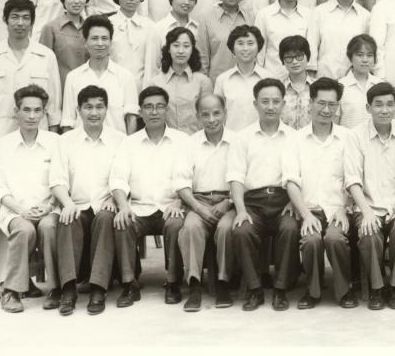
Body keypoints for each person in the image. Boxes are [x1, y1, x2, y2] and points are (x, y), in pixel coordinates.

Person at [0, 0, 61, 294]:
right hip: (2, 147)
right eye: (15, 17)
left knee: (40, 209)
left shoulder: (45, 56)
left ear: (33, 22)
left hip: (39, 145)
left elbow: (54, 108)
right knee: (6, 212)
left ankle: (31, 280)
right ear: (5, 20)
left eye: (26, 17)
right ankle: (7, 281)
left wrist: (55, 146)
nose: (20, 23)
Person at [109, 85, 188, 308]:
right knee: (122, 222)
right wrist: (123, 206)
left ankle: (173, 282)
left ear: (167, 110)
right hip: (138, 208)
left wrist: (179, 201)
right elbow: (118, 179)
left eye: (160, 106)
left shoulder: (182, 140)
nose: (154, 112)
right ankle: (129, 284)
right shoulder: (129, 143)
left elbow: (189, 177)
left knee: (175, 224)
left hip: (171, 206)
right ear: (141, 111)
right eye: (148, 107)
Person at [227, 77, 300, 312]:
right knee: (242, 230)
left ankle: (280, 289)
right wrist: (240, 211)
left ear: (283, 104)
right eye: (265, 101)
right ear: (255, 104)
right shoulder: (243, 137)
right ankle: (254, 289)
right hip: (253, 203)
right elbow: (236, 177)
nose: (270, 106)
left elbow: (300, 175)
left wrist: (293, 201)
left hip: (283, 201)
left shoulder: (294, 137)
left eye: (276, 101)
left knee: (290, 228)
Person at [49, 84, 123, 316]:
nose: (94, 112)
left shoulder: (120, 140)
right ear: (78, 110)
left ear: (106, 109)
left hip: (106, 203)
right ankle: (68, 289)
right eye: (88, 107)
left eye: (99, 107)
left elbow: (125, 176)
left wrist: (115, 198)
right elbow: (57, 180)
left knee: (105, 218)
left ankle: (98, 289)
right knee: (67, 218)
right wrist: (67, 203)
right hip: (77, 204)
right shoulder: (65, 141)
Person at [0, 85, 60, 314]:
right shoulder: (2, 146)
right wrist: (21, 210)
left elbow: (63, 180)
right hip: (15, 211)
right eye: (26, 110)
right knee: (24, 230)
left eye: (37, 110)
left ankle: (56, 289)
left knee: (49, 228)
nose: (31, 116)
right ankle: (10, 291)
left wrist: (49, 205)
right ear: (16, 111)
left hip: (49, 208)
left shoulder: (55, 142)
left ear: (44, 113)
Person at [283, 77, 354, 309]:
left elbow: (354, 178)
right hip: (309, 208)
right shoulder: (295, 139)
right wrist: (305, 214)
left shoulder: (348, 138)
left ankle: (344, 291)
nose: (326, 110)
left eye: (332, 105)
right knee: (311, 239)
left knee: (335, 238)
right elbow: (291, 181)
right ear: (310, 103)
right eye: (321, 103)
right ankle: (312, 292)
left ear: (338, 106)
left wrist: (344, 209)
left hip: (338, 208)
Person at [345, 82, 395, 310]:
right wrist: (366, 212)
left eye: (390, 105)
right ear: (368, 108)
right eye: (378, 105)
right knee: (369, 233)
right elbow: (352, 179)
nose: (385, 110)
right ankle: (377, 288)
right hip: (368, 205)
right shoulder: (355, 135)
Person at [174, 93, 237, 312]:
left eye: (216, 113)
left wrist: (228, 201)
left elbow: (244, 178)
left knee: (227, 228)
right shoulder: (190, 144)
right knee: (191, 227)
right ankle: (194, 285)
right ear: (198, 116)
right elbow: (181, 182)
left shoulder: (237, 141)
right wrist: (198, 207)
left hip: (229, 201)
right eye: (205, 114)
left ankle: (223, 283)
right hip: (198, 200)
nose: (211, 119)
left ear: (225, 113)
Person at [61, 15, 139, 134]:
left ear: (111, 42)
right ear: (85, 42)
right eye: (94, 38)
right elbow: (68, 121)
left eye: (104, 38)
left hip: (116, 144)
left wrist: (127, 145)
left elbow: (131, 119)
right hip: (81, 144)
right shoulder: (73, 77)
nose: (100, 43)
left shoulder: (125, 76)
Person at [307, 0, 369, 79]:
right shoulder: (319, 12)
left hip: (354, 80)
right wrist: (311, 78)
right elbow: (311, 47)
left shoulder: (365, 16)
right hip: (324, 80)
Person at [149, 26, 212, 134]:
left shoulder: (203, 81)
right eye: (176, 45)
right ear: (168, 49)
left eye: (186, 46)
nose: (181, 51)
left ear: (192, 49)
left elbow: (208, 116)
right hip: (167, 140)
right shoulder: (156, 82)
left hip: (195, 140)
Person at [253, 0, 311, 76]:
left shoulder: (309, 15)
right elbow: (258, 52)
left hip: (299, 79)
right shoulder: (264, 15)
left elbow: (311, 52)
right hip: (271, 78)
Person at [200, 0, 255, 82]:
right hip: (216, 84)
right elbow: (202, 59)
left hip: (247, 82)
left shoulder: (251, 18)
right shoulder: (207, 18)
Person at [213, 25, 271, 132]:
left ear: (258, 48)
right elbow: (216, 114)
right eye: (240, 43)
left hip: (261, 138)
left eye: (250, 43)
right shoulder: (222, 80)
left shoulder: (269, 79)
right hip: (232, 138)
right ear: (233, 49)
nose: (245, 48)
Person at [144, 0, 203, 80]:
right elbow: (151, 67)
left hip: (192, 84)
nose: (187, 2)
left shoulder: (198, 29)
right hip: (165, 84)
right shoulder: (158, 29)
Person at [39, 0, 91, 90]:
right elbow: (42, 65)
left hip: (88, 88)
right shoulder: (50, 28)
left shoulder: (91, 28)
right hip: (61, 88)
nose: (76, 1)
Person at [108, 0, 154, 87]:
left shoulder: (149, 26)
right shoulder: (108, 24)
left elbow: (151, 63)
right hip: (113, 84)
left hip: (141, 86)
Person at [338, 33, 382, 130]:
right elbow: (334, 124)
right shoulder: (340, 86)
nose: (365, 60)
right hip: (348, 139)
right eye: (360, 55)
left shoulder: (380, 85)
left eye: (369, 55)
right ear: (350, 57)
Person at [277, 35, 316, 130]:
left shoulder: (319, 87)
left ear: (308, 57)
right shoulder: (276, 88)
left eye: (299, 56)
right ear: (283, 60)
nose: (294, 62)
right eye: (288, 57)